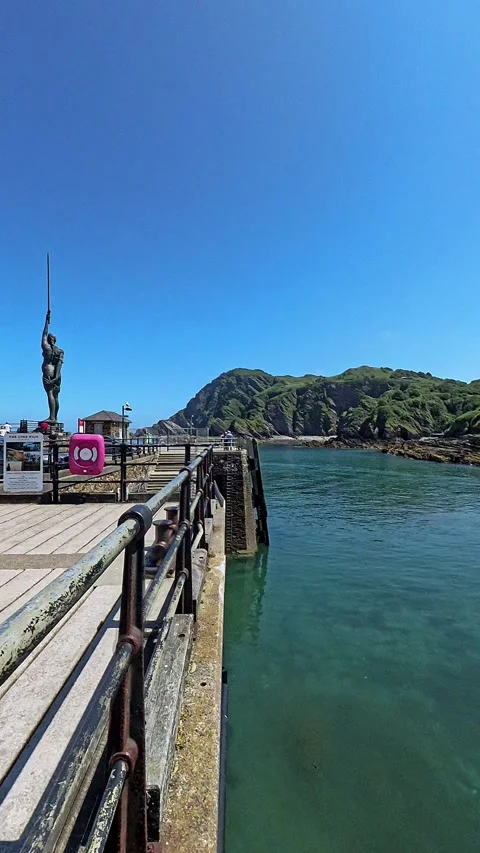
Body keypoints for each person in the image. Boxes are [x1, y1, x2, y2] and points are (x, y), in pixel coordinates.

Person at [42, 310, 64, 422]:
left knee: (50, 393)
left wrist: (47, 321)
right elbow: (59, 365)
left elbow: (44, 333)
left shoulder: (46, 347)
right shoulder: (60, 351)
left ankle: (51, 417)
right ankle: (54, 417)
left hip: (48, 371)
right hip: (57, 374)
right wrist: (56, 377)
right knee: (56, 396)